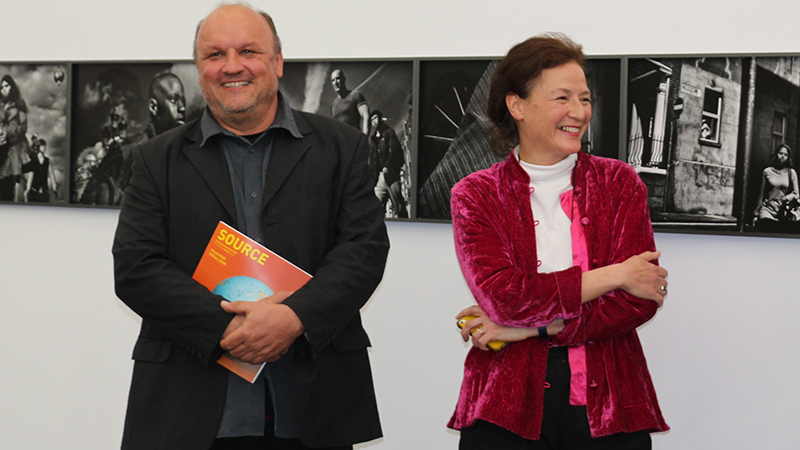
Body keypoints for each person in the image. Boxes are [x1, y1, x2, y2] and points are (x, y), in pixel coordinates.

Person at [112, 4, 389, 450]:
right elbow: (136, 268)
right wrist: (231, 330)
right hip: (189, 407)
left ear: (277, 62)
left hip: (313, 405)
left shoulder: (342, 147)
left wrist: (293, 318)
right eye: (215, 55)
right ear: (200, 69)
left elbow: (364, 251)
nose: (232, 66)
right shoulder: (155, 159)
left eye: (248, 51)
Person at [448, 34, 669, 449]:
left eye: (584, 99)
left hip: (610, 402)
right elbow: (506, 300)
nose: (579, 112)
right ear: (518, 106)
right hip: (504, 405)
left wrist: (531, 330)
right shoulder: (475, 194)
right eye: (562, 98)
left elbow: (637, 300)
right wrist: (616, 274)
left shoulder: (619, 183)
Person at [368, 109, 407, 217]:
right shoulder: (373, 139)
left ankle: (406, 226)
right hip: (380, 177)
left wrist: (388, 167)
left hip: (390, 174)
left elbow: (395, 151)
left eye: (375, 118)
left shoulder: (389, 132)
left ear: (380, 118)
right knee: (376, 205)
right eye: (372, 120)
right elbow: (372, 159)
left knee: (398, 204)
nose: (374, 121)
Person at [753, 143, 800, 233]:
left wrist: (787, 198)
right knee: (767, 229)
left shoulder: (791, 172)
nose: (783, 156)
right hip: (768, 210)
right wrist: (756, 213)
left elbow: (796, 194)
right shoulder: (767, 171)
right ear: (776, 154)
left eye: (786, 155)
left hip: (784, 212)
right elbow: (761, 194)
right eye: (780, 153)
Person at [0, 74, 30, 202]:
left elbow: (22, 128)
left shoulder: (19, 104)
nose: (4, 89)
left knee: (15, 190)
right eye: (1, 87)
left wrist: (7, 133)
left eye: (6, 86)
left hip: (15, 150)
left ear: (12, 87)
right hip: (2, 151)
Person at [145, 72, 186, 138]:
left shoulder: (193, 146)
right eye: (174, 100)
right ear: (153, 107)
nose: (182, 108)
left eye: (183, 101)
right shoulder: (135, 147)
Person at [330, 68, 370, 135]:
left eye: (338, 78)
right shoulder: (333, 105)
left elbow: (366, 116)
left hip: (354, 140)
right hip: (341, 143)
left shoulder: (355, 95)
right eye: (333, 80)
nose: (335, 82)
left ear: (344, 79)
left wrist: (364, 138)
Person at [21, 138, 56, 202]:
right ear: (38, 147)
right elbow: (31, 175)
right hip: (34, 191)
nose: (44, 148)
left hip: (44, 192)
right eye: (42, 146)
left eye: (45, 146)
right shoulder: (34, 161)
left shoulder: (47, 161)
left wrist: (54, 188)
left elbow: (51, 174)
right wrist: (28, 189)